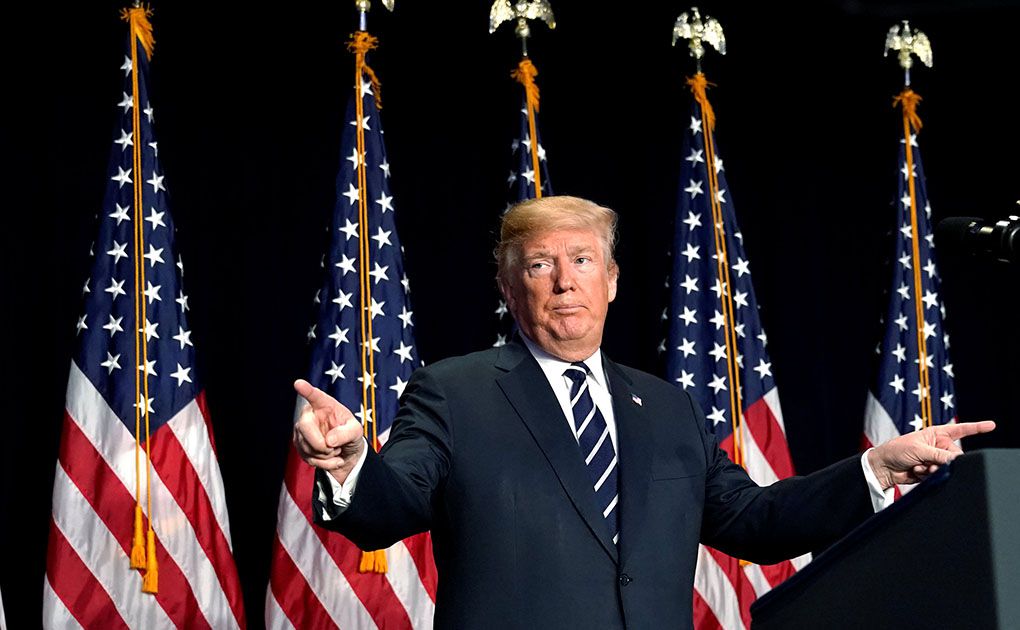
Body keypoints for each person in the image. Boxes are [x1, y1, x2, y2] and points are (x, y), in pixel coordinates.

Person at [293, 195, 994, 629]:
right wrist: (351, 462)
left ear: (613, 280)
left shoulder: (664, 407)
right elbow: (393, 504)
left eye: (582, 260)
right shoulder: (455, 391)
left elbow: (755, 522)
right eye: (539, 265)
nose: (565, 281)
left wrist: (875, 467)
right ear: (509, 287)